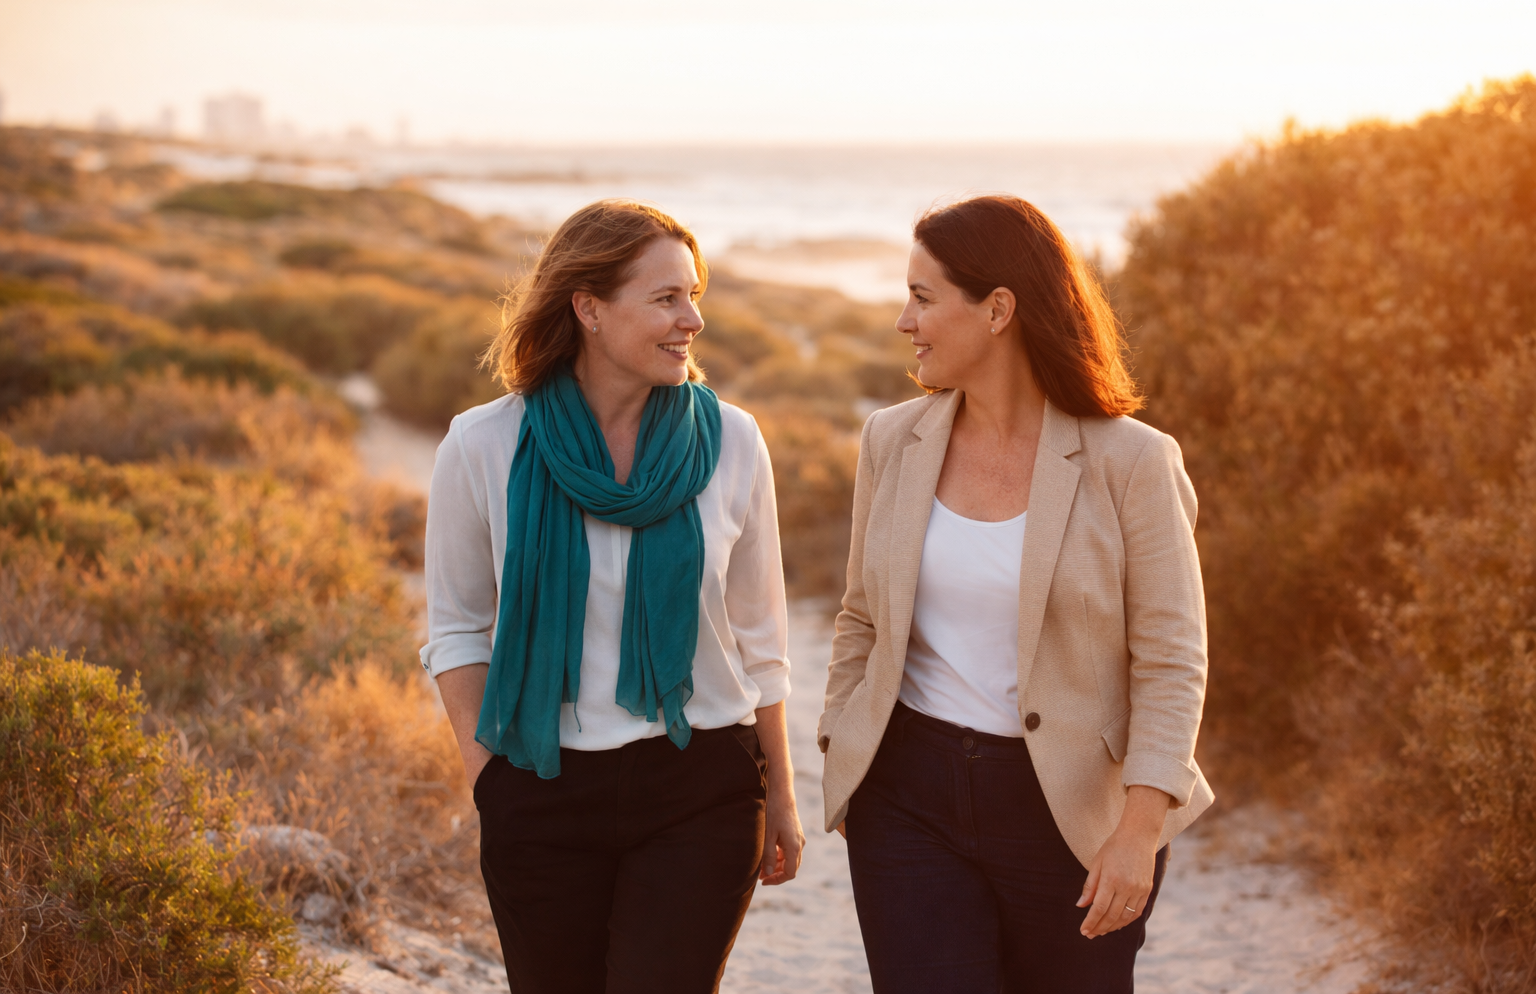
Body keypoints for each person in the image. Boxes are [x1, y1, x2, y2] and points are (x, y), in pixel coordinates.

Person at [819, 195, 1213, 993]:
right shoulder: (891, 440)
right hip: (907, 798)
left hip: (1067, 813)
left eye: (923, 298)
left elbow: (1172, 659)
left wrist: (1138, 831)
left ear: (998, 308)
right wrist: (842, 739)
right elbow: (861, 612)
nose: (905, 321)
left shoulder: (1132, 461)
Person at [422, 199, 804, 994]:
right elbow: (458, 629)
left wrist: (784, 800)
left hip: (700, 783)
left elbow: (761, 641)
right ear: (589, 308)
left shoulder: (732, 439)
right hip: (540, 783)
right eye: (667, 298)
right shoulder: (484, 444)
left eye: (695, 295)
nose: (693, 318)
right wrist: (488, 779)